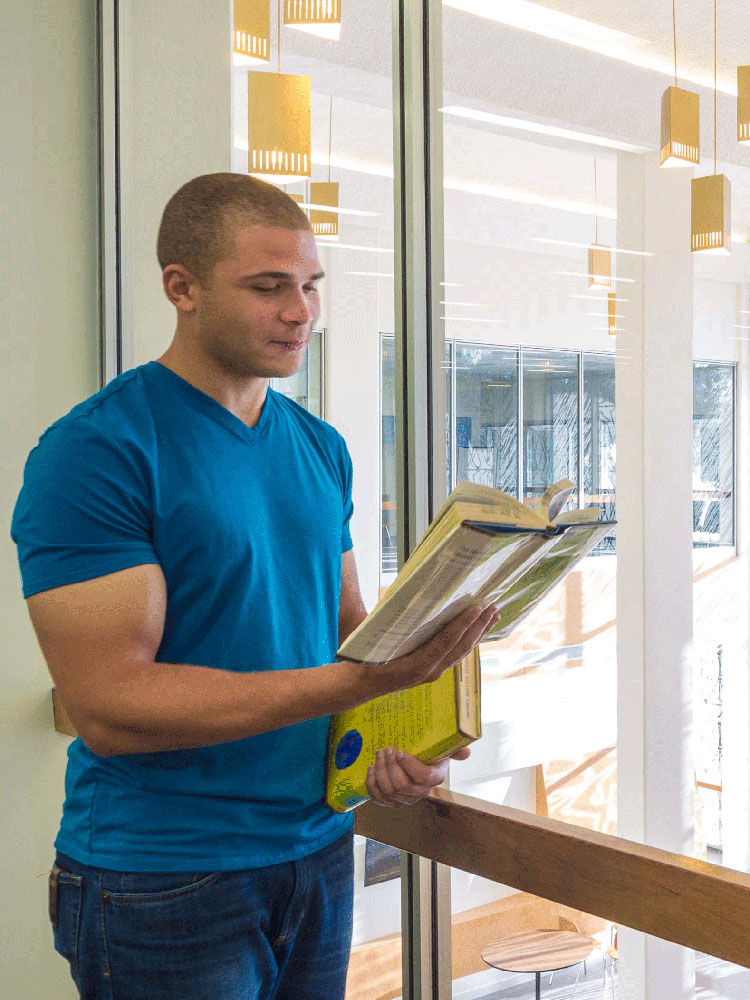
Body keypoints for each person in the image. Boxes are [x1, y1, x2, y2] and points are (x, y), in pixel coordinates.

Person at [10, 172, 499, 1000]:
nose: (301, 311)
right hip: (163, 875)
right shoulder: (99, 450)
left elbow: (347, 632)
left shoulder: (319, 447)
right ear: (182, 288)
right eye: (269, 288)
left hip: (316, 848)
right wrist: (358, 680)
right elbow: (111, 705)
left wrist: (401, 743)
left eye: (310, 286)